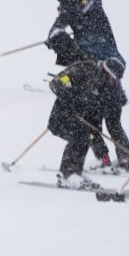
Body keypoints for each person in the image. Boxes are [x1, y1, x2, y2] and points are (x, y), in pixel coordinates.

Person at [46, 0, 129, 170]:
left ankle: (106, 158)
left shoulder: (70, 5)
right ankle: (121, 159)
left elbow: (55, 32)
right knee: (108, 117)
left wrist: (55, 37)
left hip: (90, 60)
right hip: (104, 57)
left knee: (94, 116)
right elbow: (88, 10)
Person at [46, 59, 114, 189]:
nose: (114, 80)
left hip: (80, 120)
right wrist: (70, 101)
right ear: (107, 71)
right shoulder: (86, 70)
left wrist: (95, 133)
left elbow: (95, 114)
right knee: (78, 136)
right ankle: (67, 174)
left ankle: (75, 172)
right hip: (63, 116)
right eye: (113, 76)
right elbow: (59, 82)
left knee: (86, 136)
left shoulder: (104, 86)